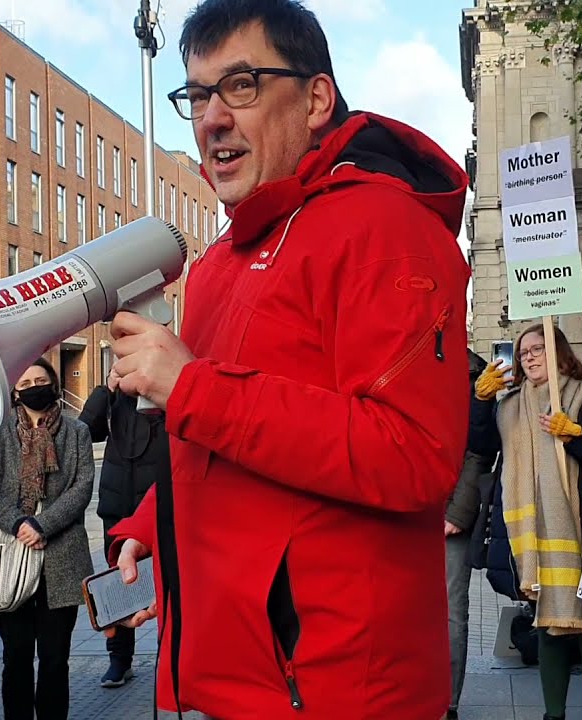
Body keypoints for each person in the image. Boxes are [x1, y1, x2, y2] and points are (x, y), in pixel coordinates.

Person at [102, 1, 472, 717]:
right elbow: (224, 441)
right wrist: (156, 527)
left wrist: (192, 387)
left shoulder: (386, 227)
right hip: (239, 675)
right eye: (198, 94)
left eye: (241, 85)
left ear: (315, 100)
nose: (212, 117)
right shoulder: (217, 264)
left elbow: (414, 455)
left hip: (336, 687)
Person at [471, 325, 582, 720]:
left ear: (560, 353)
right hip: (533, 541)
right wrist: (481, 402)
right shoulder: (510, 405)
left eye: (539, 349)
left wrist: (577, 435)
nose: (530, 357)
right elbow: (481, 447)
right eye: (523, 353)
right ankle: (554, 715)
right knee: (547, 626)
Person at [0, 358, 95, 720]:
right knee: (17, 656)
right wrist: (18, 522)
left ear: (54, 384)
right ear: (14, 390)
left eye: (41, 379)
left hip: (62, 556)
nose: (34, 386)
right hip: (9, 554)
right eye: (26, 382)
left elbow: (82, 486)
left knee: (56, 658)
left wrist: (44, 524)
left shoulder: (77, 432)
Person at [79, 363, 171, 688]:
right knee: (118, 586)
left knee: (166, 585)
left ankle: (168, 658)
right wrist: (106, 389)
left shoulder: (164, 390)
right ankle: (119, 659)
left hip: (158, 508)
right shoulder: (115, 396)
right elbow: (84, 432)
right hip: (116, 507)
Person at [441, 349, 502, 718]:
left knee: (450, 611)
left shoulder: (473, 374)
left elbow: (479, 451)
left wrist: (458, 511)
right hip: (399, 511)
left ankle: (447, 705)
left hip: (448, 513)